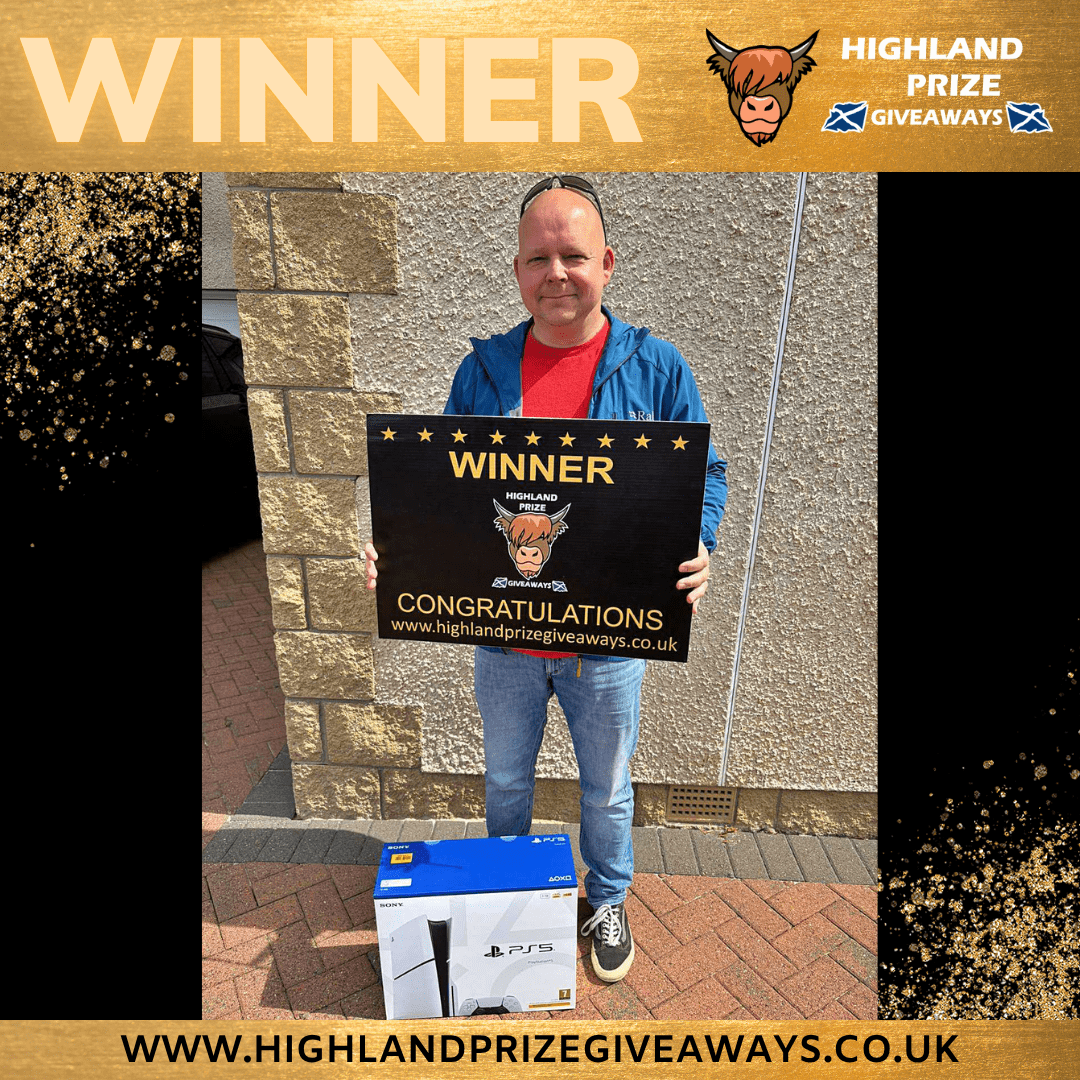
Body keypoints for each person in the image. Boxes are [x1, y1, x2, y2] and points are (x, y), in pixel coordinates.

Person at [365, 175, 727, 984]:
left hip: (610, 642)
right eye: (538, 258)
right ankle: (510, 896)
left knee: (607, 789)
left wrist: (697, 543)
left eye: (573, 256)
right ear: (517, 270)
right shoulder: (484, 370)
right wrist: (399, 551)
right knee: (503, 781)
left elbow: (708, 472)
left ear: (607, 263)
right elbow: (440, 485)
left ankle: (608, 900)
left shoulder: (658, 367)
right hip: (505, 643)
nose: (556, 273)